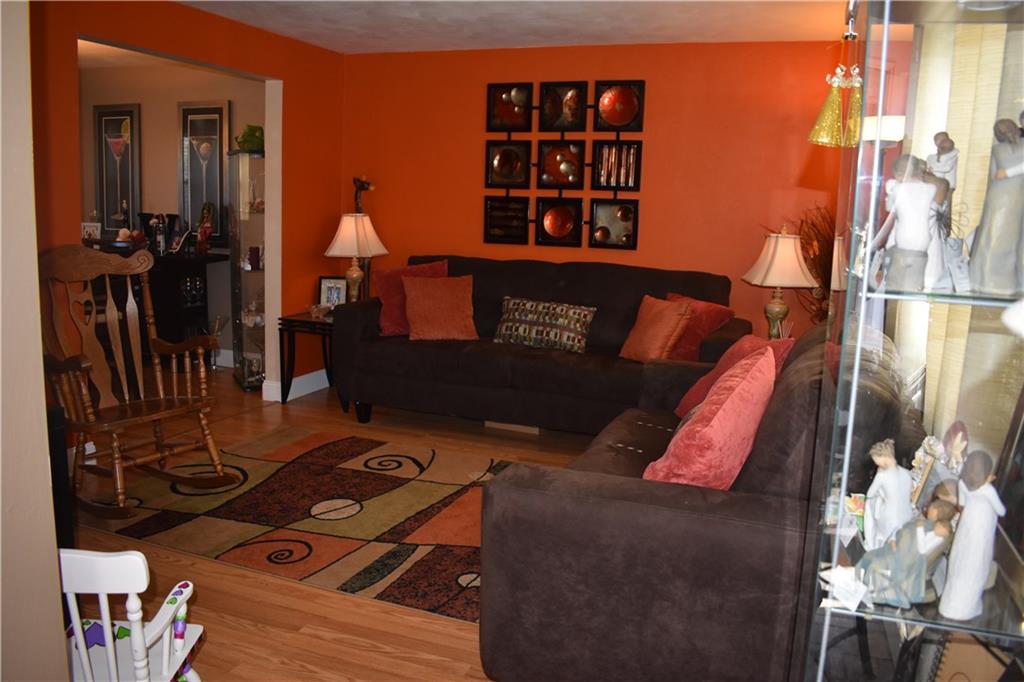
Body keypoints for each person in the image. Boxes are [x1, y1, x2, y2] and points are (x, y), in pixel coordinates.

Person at [939, 451, 1006, 620]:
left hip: (966, 527)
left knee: (960, 563)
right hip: (981, 531)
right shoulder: (988, 490)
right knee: (975, 565)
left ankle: (949, 604)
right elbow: (1001, 510)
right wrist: (987, 484)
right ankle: (967, 607)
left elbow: (962, 504)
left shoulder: (962, 483)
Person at [857, 499, 955, 608]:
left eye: (933, 508)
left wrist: (916, 530)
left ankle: (870, 591)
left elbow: (916, 549)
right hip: (898, 554)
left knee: (874, 565)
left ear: (938, 514)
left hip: (903, 561)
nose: (929, 508)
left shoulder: (933, 532)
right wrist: (894, 539)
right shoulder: (928, 526)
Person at [872, 155, 950, 292]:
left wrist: (918, 173)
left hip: (926, 260)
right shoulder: (901, 190)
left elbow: (943, 185)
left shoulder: (928, 192)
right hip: (902, 251)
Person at [969, 119, 1024, 296]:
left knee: (1003, 237)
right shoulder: (999, 149)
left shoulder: (1005, 148)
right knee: (997, 235)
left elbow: (998, 173)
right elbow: (995, 174)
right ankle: (991, 278)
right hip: (1006, 196)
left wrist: (1008, 172)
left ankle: (997, 279)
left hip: (1009, 195)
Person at [863, 439, 915, 551]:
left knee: (870, 505)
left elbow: (870, 493)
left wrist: (881, 494)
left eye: (877, 462)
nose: (877, 465)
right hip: (907, 516)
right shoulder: (907, 473)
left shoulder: (882, 476)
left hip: (889, 519)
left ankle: (872, 544)